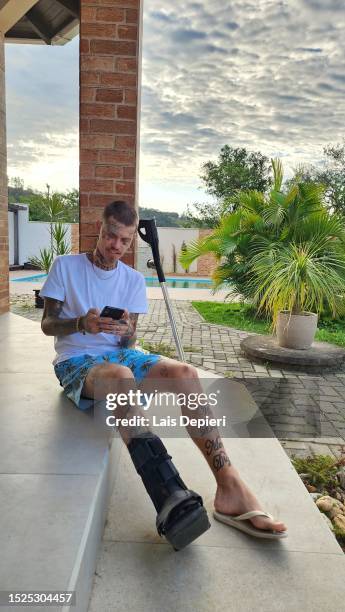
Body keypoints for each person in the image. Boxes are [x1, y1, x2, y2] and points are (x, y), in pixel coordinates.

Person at [40, 200, 288, 544]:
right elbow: (48, 325)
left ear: (131, 242)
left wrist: (125, 331)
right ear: (100, 228)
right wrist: (82, 323)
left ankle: (230, 486)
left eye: (125, 241)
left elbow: (131, 341)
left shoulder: (131, 279)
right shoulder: (65, 267)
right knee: (121, 378)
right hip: (75, 364)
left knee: (184, 371)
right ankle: (168, 494)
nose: (116, 246)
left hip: (117, 357)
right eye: (111, 235)